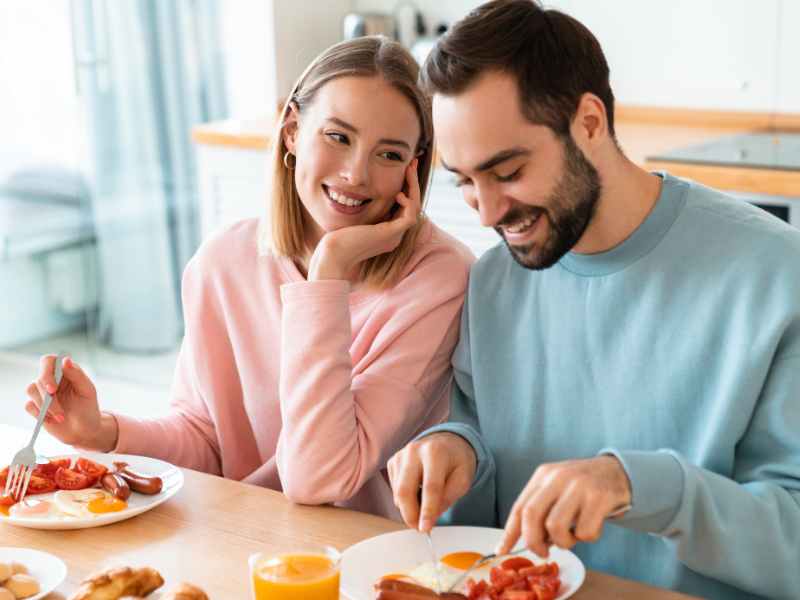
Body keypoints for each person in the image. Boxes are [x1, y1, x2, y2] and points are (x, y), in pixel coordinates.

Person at [387, 1, 800, 598]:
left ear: (588, 122)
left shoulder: (774, 274)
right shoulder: (494, 283)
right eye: (464, 181)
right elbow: (483, 448)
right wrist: (457, 451)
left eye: (508, 171)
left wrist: (639, 485)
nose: (488, 211)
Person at [25, 36, 474, 520]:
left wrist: (325, 277)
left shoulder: (439, 279)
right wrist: (102, 432)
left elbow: (319, 478)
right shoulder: (224, 261)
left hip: (369, 562)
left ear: (414, 168)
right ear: (292, 132)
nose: (355, 174)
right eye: (338, 137)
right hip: (248, 541)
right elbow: (205, 438)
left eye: (388, 154)